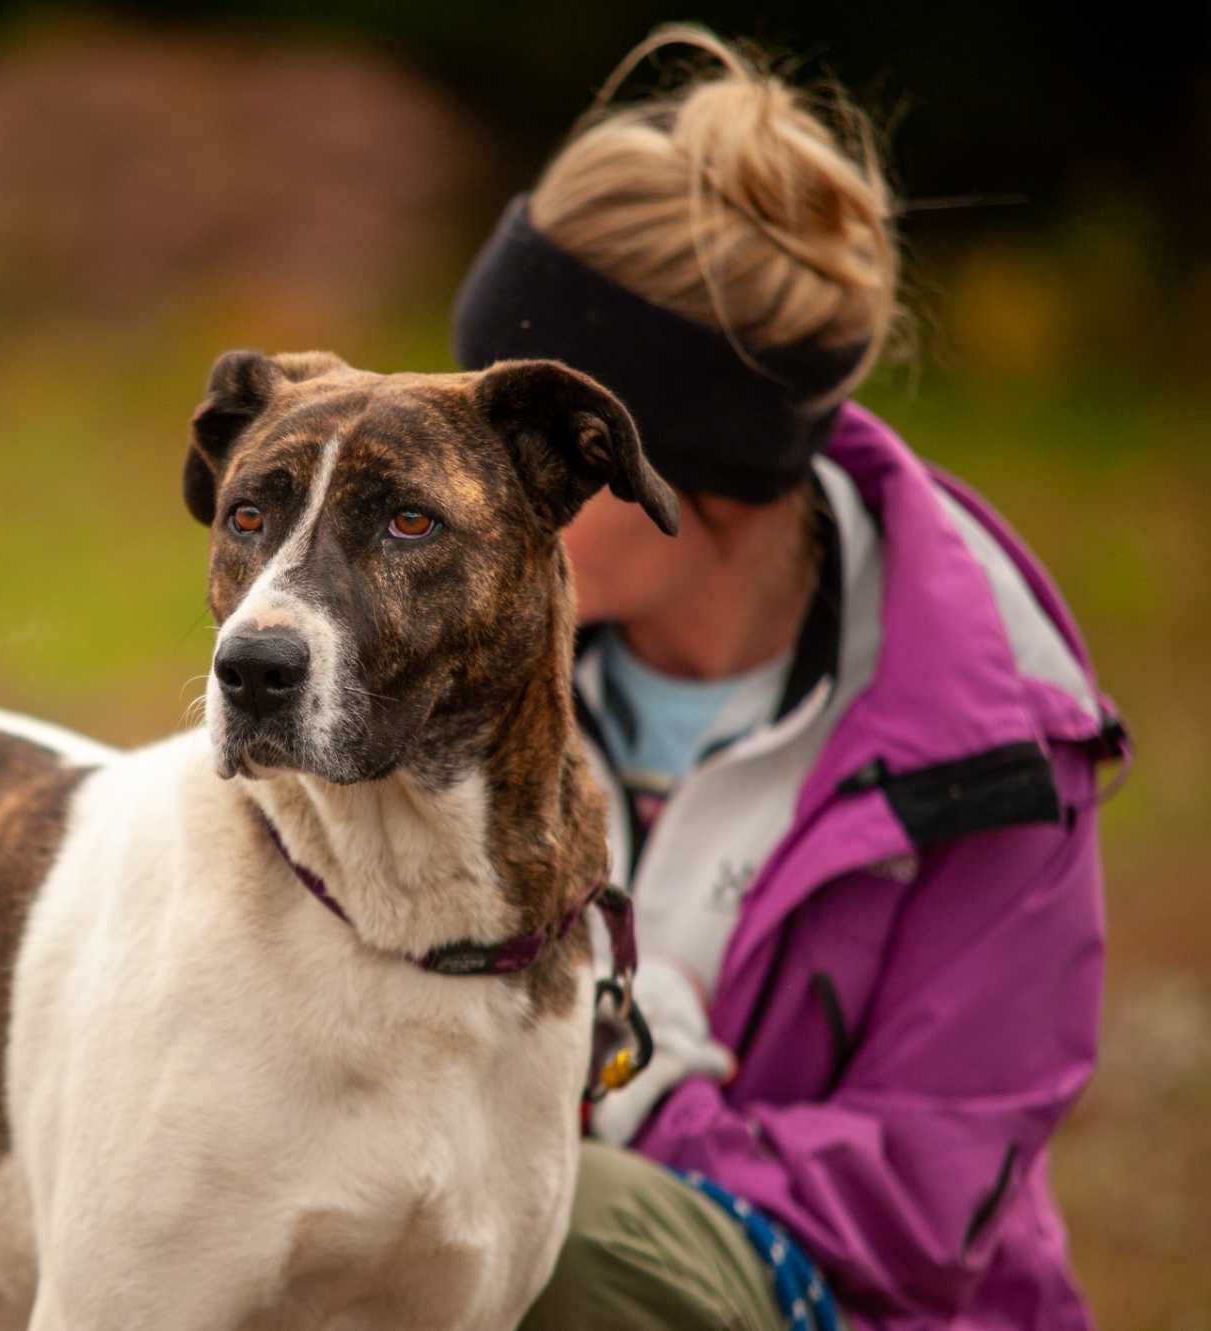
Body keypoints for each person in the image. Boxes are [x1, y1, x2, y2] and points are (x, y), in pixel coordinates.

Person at [449, 26, 1131, 1331]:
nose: (470, 483)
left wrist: (636, 1082)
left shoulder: (990, 759)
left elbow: (919, 1212)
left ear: (688, 473)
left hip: (828, 1301)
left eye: (535, 439)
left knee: (548, 1230)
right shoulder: (456, 651)